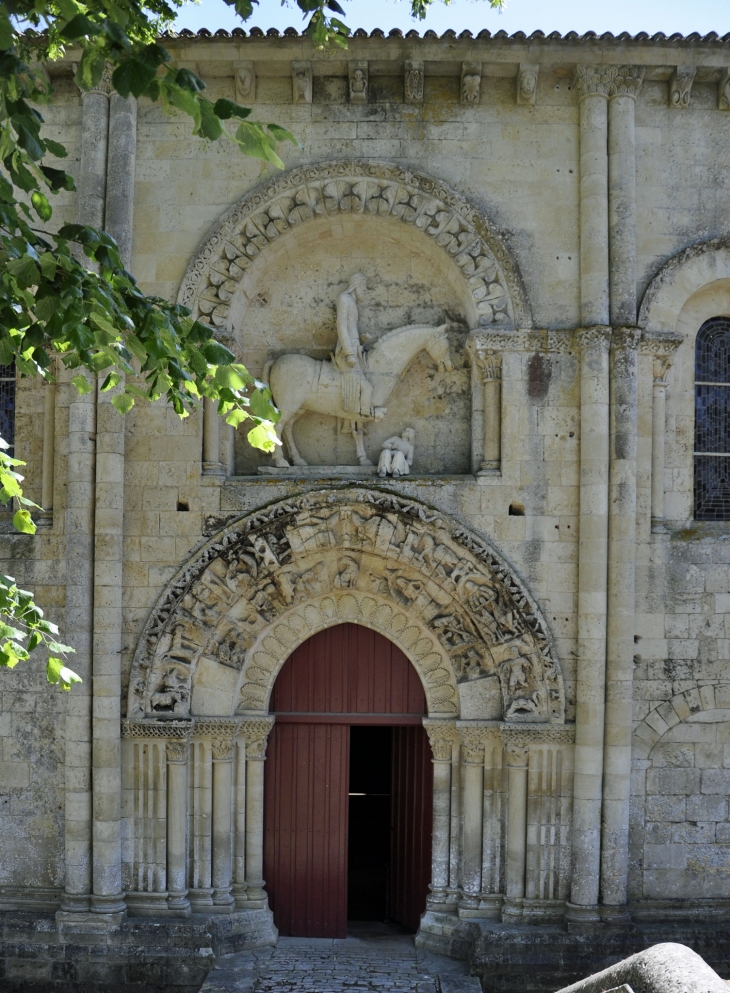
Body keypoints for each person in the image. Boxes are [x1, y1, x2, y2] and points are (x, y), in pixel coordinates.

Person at [334, 273, 385, 419]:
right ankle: (361, 417)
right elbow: (341, 326)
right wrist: (349, 353)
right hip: (346, 353)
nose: (365, 290)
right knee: (366, 388)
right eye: (363, 286)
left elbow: (350, 330)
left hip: (355, 350)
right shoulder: (345, 299)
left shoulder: (352, 302)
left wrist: (360, 340)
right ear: (355, 286)